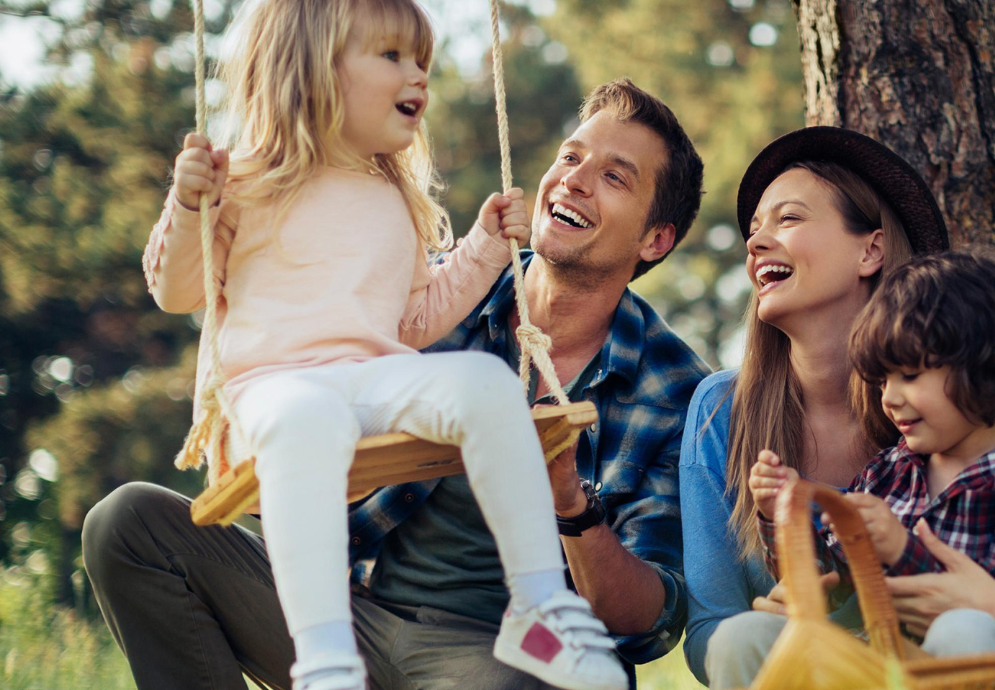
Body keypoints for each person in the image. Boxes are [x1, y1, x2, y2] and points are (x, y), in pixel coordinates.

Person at [83, 68, 708, 690]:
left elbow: (651, 622)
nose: (573, 179)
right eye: (571, 157)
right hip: (345, 610)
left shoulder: (673, 387)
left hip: (492, 658)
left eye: (613, 176)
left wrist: (572, 506)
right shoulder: (435, 292)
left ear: (655, 239)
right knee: (129, 525)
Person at [680, 127, 995, 689]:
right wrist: (794, 582)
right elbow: (711, 630)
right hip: (829, 674)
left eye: (787, 219)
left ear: (871, 249)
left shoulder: (961, 398)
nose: (756, 241)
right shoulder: (721, 411)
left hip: (940, 660)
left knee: (966, 634)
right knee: (740, 639)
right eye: (755, 228)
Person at [751, 248, 995, 655]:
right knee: (745, 636)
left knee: (963, 631)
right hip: (878, 670)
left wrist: (901, 550)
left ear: (987, 364)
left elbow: (983, 610)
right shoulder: (891, 471)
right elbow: (836, 582)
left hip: (975, 672)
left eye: (910, 376)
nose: (890, 398)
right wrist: (784, 517)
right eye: (882, 381)